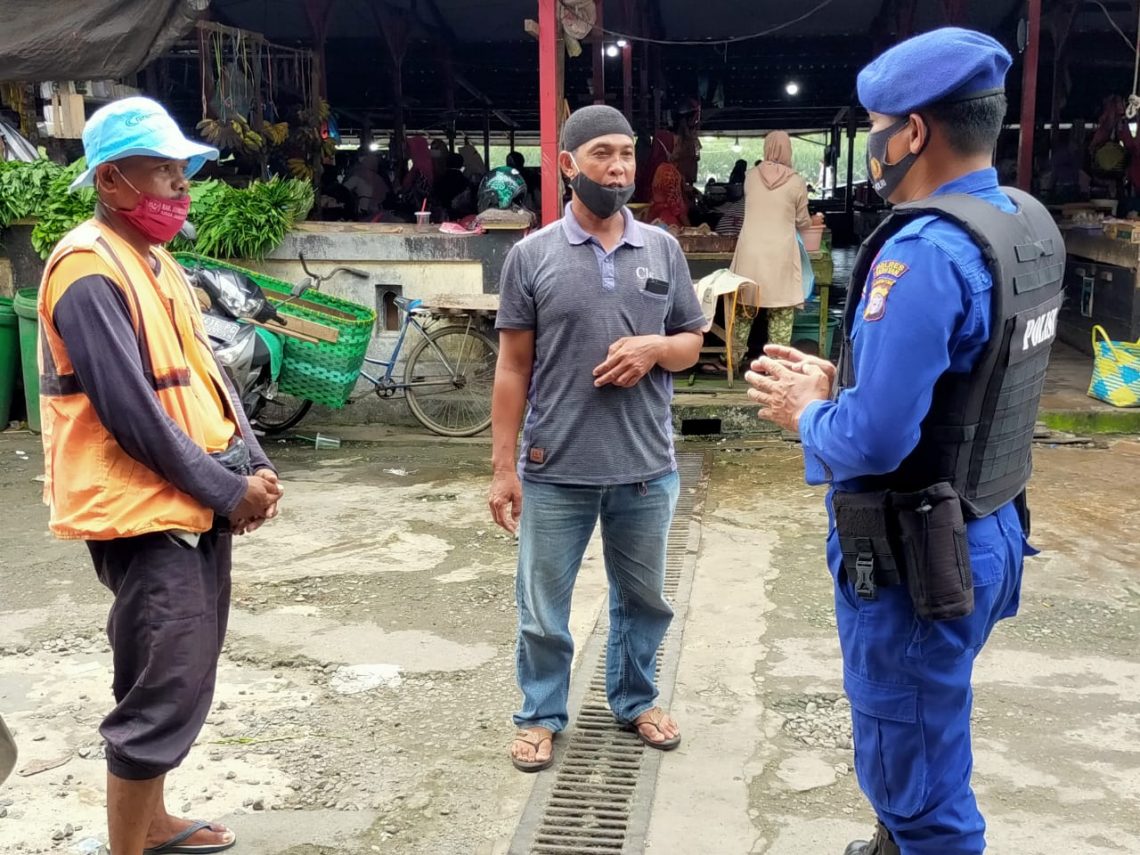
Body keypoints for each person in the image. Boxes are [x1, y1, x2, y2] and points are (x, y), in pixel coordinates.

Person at [745, 29, 1064, 855]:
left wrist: (807, 412)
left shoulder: (925, 251)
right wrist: (843, 379)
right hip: (986, 522)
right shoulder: (1021, 222)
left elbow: (876, 438)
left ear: (912, 133)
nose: (878, 145)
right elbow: (967, 382)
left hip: (915, 553)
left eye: (881, 125)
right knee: (924, 727)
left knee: (917, 783)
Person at [35, 97, 284, 855]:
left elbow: (205, 374)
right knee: (164, 681)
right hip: (142, 511)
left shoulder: (155, 262)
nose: (180, 188)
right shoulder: (87, 269)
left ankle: (154, 820)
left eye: (183, 172)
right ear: (110, 181)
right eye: (163, 172)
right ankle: (127, 846)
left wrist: (255, 463)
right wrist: (225, 490)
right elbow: (133, 415)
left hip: (189, 501)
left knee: (176, 672)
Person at [489, 104, 706, 773]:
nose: (617, 168)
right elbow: (512, 366)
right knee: (543, 608)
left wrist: (654, 348)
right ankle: (539, 715)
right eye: (602, 154)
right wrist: (504, 467)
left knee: (644, 600)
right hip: (555, 464)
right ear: (567, 166)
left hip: (645, 466)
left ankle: (636, 698)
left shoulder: (663, 248)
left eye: (627, 155)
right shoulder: (531, 256)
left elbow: (693, 344)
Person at [731, 131, 812, 360]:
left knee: (743, 310)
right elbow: (802, 221)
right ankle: (776, 364)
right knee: (781, 312)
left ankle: (733, 360)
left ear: (767, 147)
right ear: (788, 150)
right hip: (781, 255)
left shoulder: (750, 176)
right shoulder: (796, 182)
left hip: (750, 254)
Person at [645, 162, 690, 227]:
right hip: (671, 225)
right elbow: (676, 207)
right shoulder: (671, 172)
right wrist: (691, 229)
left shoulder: (661, 170)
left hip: (656, 222)